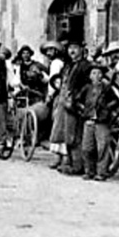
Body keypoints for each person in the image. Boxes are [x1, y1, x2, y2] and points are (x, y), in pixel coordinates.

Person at [77, 64, 118, 181]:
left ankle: (101, 172)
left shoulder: (107, 88)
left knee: (102, 147)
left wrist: (106, 108)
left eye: (99, 73)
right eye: (94, 73)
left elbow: (115, 101)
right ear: (90, 76)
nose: (97, 76)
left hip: (102, 121)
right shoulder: (86, 88)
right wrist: (83, 110)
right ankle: (89, 171)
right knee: (87, 148)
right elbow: (77, 100)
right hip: (89, 121)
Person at [60, 37, 93, 176]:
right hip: (68, 104)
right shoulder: (69, 66)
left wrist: (78, 98)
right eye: (70, 48)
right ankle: (71, 162)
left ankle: (78, 166)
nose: (72, 51)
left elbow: (88, 85)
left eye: (75, 48)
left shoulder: (86, 66)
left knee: (76, 136)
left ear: (81, 50)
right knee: (68, 135)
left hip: (78, 105)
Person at [41, 40, 67, 169]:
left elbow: (53, 81)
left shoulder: (56, 63)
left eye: (51, 50)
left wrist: (49, 96)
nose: (49, 53)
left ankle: (58, 157)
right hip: (61, 93)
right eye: (47, 51)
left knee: (57, 123)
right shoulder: (61, 62)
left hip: (58, 95)